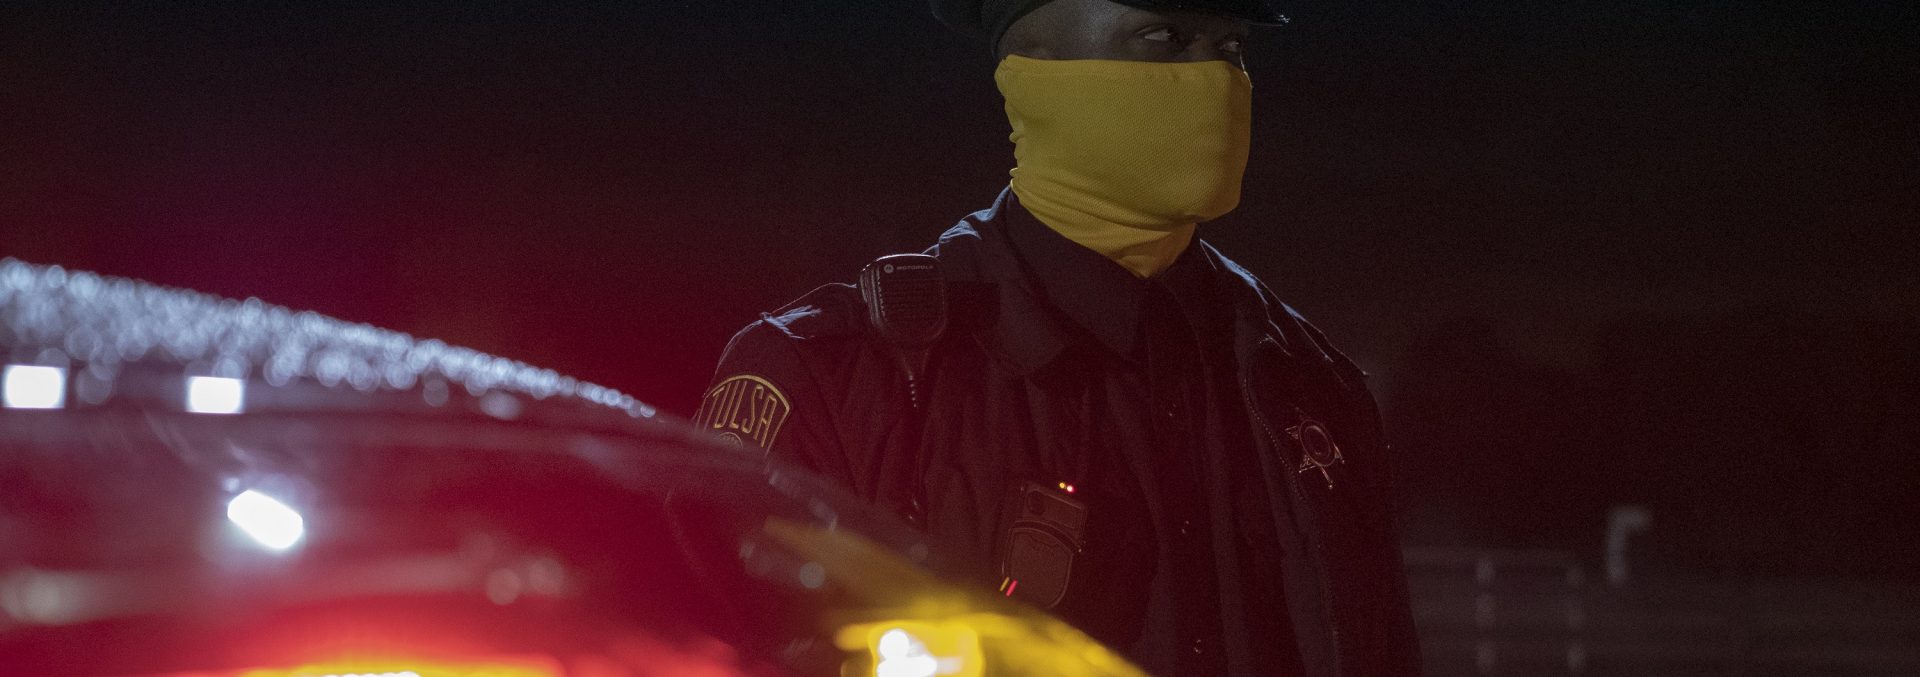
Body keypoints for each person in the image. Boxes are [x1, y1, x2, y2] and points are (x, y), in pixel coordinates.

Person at [693, 0, 1420, 674]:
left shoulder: (1307, 383)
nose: (1212, 78)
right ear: (1034, 72)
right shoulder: (831, 378)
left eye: (1231, 47)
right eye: (1164, 37)